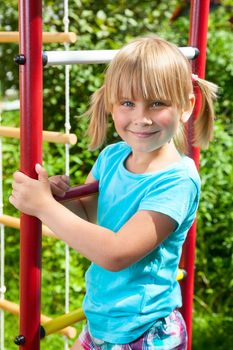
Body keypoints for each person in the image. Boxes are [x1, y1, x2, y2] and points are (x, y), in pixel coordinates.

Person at [10, 36, 218, 349]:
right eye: (128, 103)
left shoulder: (177, 180)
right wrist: (53, 199)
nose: (142, 117)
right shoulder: (111, 158)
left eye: (157, 103)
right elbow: (91, 218)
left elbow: (116, 253)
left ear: (186, 106)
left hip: (145, 331)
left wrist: (44, 208)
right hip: (101, 319)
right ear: (112, 105)